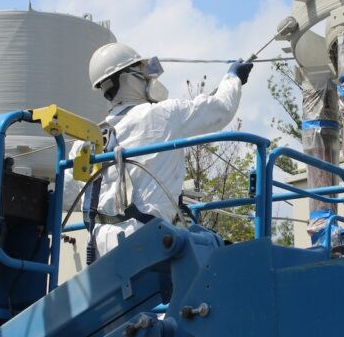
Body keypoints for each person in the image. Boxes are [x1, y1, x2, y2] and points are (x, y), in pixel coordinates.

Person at [63, 42, 253, 259]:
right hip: (146, 240)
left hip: (98, 246)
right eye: (143, 73)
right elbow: (221, 109)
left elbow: (68, 194)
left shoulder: (87, 139)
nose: (150, 79)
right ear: (127, 80)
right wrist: (233, 78)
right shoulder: (164, 114)